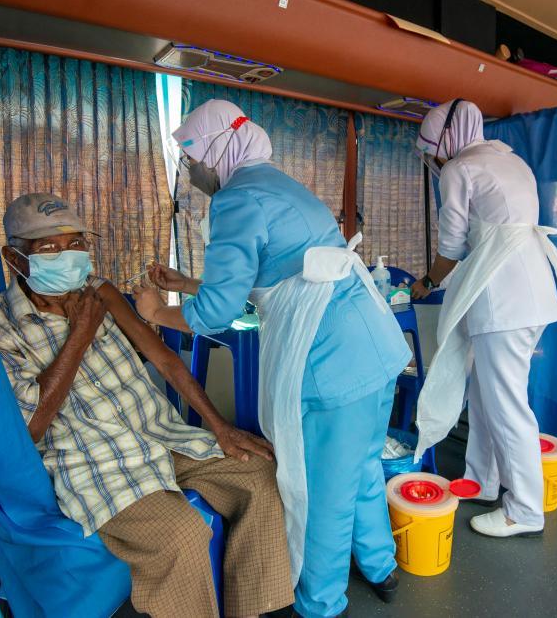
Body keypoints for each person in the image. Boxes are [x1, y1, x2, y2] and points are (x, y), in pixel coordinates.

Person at [132, 100, 411, 618]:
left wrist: (155, 312)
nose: (190, 170)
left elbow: (217, 313)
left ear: (216, 151)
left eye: (191, 157)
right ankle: (380, 566)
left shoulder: (234, 200)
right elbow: (273, 279)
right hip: (373, 344)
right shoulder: (280, 185)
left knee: (325, 491)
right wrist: (188, 283)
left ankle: (321, 604)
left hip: (330, 361)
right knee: (362, 464)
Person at [0, 193, 293, 618]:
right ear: (14, 258)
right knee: (180, 535)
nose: (68, 256)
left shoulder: (99, 291)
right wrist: (80, 335)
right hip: (95, 462)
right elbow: (32, 427)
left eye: (76, 244)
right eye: (49, 248)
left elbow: (165, 360)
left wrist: (220, 427)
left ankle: (256, 610)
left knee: (260, 475)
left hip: (160, 435)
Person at [410, 99, 557, 538]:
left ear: (446, 139)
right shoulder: (511, 161)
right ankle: (482, 480)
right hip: (530, 289)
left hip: (505, 298)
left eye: (432, 148)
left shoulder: (459, 168)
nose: (434, 158)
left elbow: (451, 245)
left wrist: (427, 281)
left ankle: (525, 510)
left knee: (506, 404)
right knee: (486, 394)